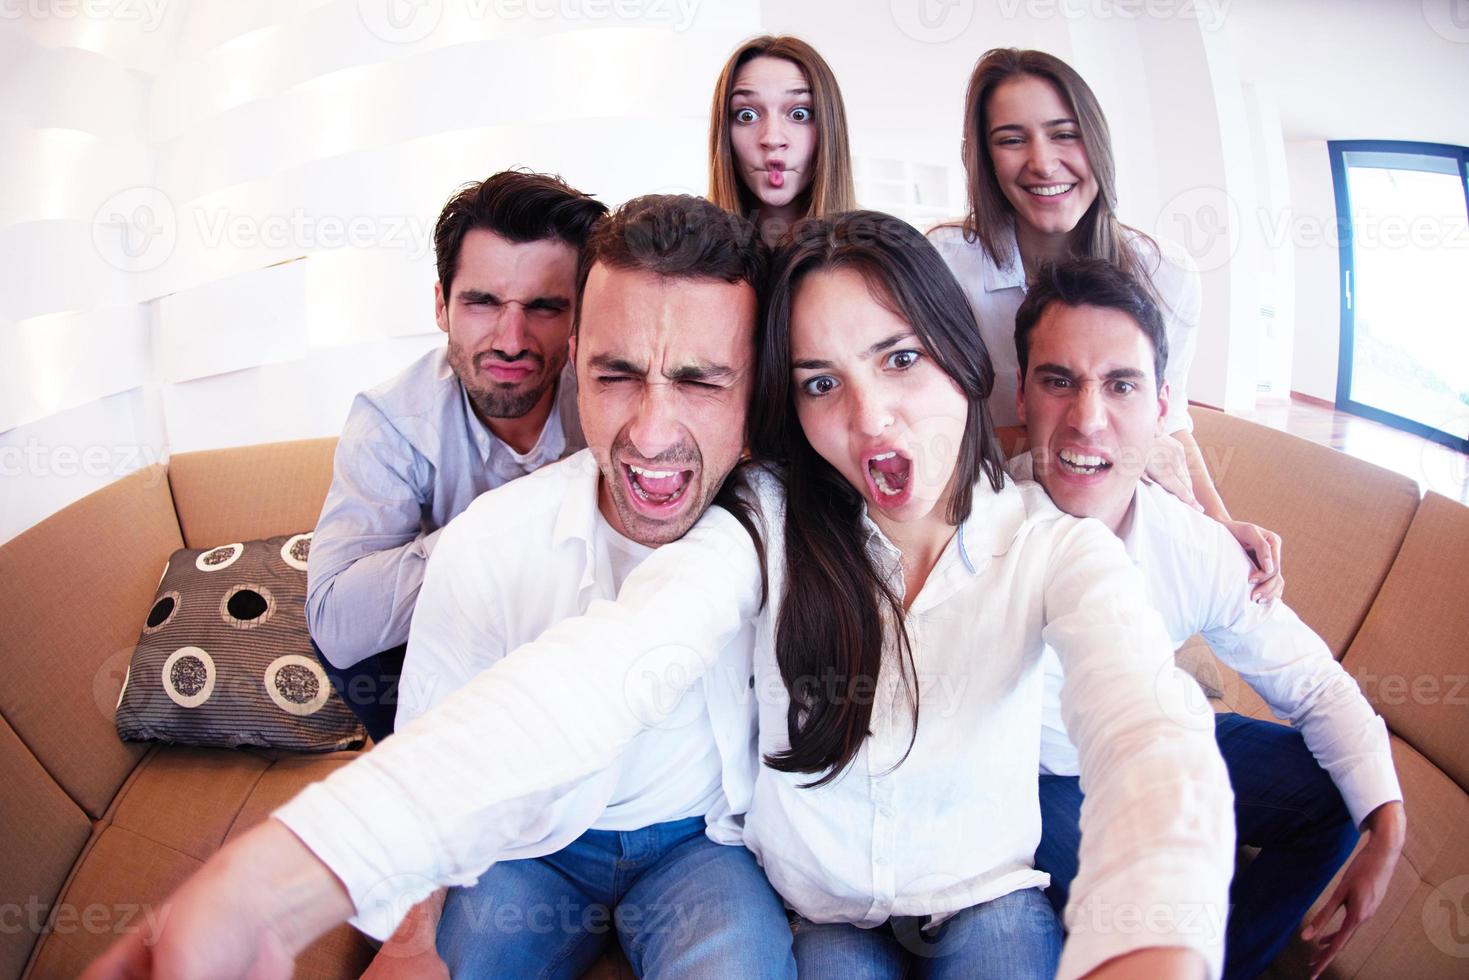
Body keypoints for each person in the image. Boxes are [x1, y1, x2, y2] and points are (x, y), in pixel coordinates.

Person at [81, 214, 1234, 980]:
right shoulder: (766, 525)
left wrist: (1158, 932)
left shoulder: (1054, 552)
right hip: (719, 889)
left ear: (960, 362)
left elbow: (1147, 726)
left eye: (898, 360)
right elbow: (594, 672)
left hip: (940, 890)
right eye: (822, 382)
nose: (871, 419)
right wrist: (280, 881)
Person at [384, 194, 794, 978]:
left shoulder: (788, 531)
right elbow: (424, 767)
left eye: (700, 383)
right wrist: (407, 944)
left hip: (699, 849)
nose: (649, 432)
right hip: (529, 848)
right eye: (617, 374)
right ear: (574, 360)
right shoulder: (487, 543)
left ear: (755, 389)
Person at [1007, 258, 1406, 980]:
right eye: (1057, 380)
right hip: (1038, 776)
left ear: (1161, 408)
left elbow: (1314, 685)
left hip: (1155, 732)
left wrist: (1386, 821)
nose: (1086, 418)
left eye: (1119, 385)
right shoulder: (971, 535)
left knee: (1337, 796)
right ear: (1022, 394)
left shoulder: (1192, 544)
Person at [927, 48, 1285, 604]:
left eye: (1064, 134)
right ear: (985, 159)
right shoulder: (945, 266)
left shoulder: (1167, 273)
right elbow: (932, 426)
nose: (1043, 164)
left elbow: (1172, 420)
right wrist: (1055, 448)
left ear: (1097, 142)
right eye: (1012, 139)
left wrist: (1217, 524)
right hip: (986, 513)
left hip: (1110, 515)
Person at [305, 171, 606, 741]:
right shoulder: (391, 421)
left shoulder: (614, 394)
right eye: (482, 302)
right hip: (456, 697)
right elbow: (338, 625)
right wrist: (507, 528)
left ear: (582, 317)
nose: (511, 339)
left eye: (544, 306)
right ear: (442, 305)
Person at [707, 35, 857, 245]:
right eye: (747, 115)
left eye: (799, 114)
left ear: (829, 127)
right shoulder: (688, 256)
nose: (772, 139)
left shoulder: (879, 262)